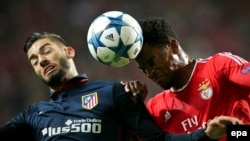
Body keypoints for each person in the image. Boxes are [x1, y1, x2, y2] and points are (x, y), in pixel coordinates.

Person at [0, 32, 243, 141]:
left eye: (46, 51)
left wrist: (221, 135)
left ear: (69, 51)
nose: (40, 60)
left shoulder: (114, 92)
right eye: (33, 60)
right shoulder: (34, 114)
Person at [123, 17, 250, 141]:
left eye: (152, 62)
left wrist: (230, 133)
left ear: (173, 46)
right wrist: (136, 108)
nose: (150, 73)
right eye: (144, 70)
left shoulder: (219, 67)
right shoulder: (156, 108)